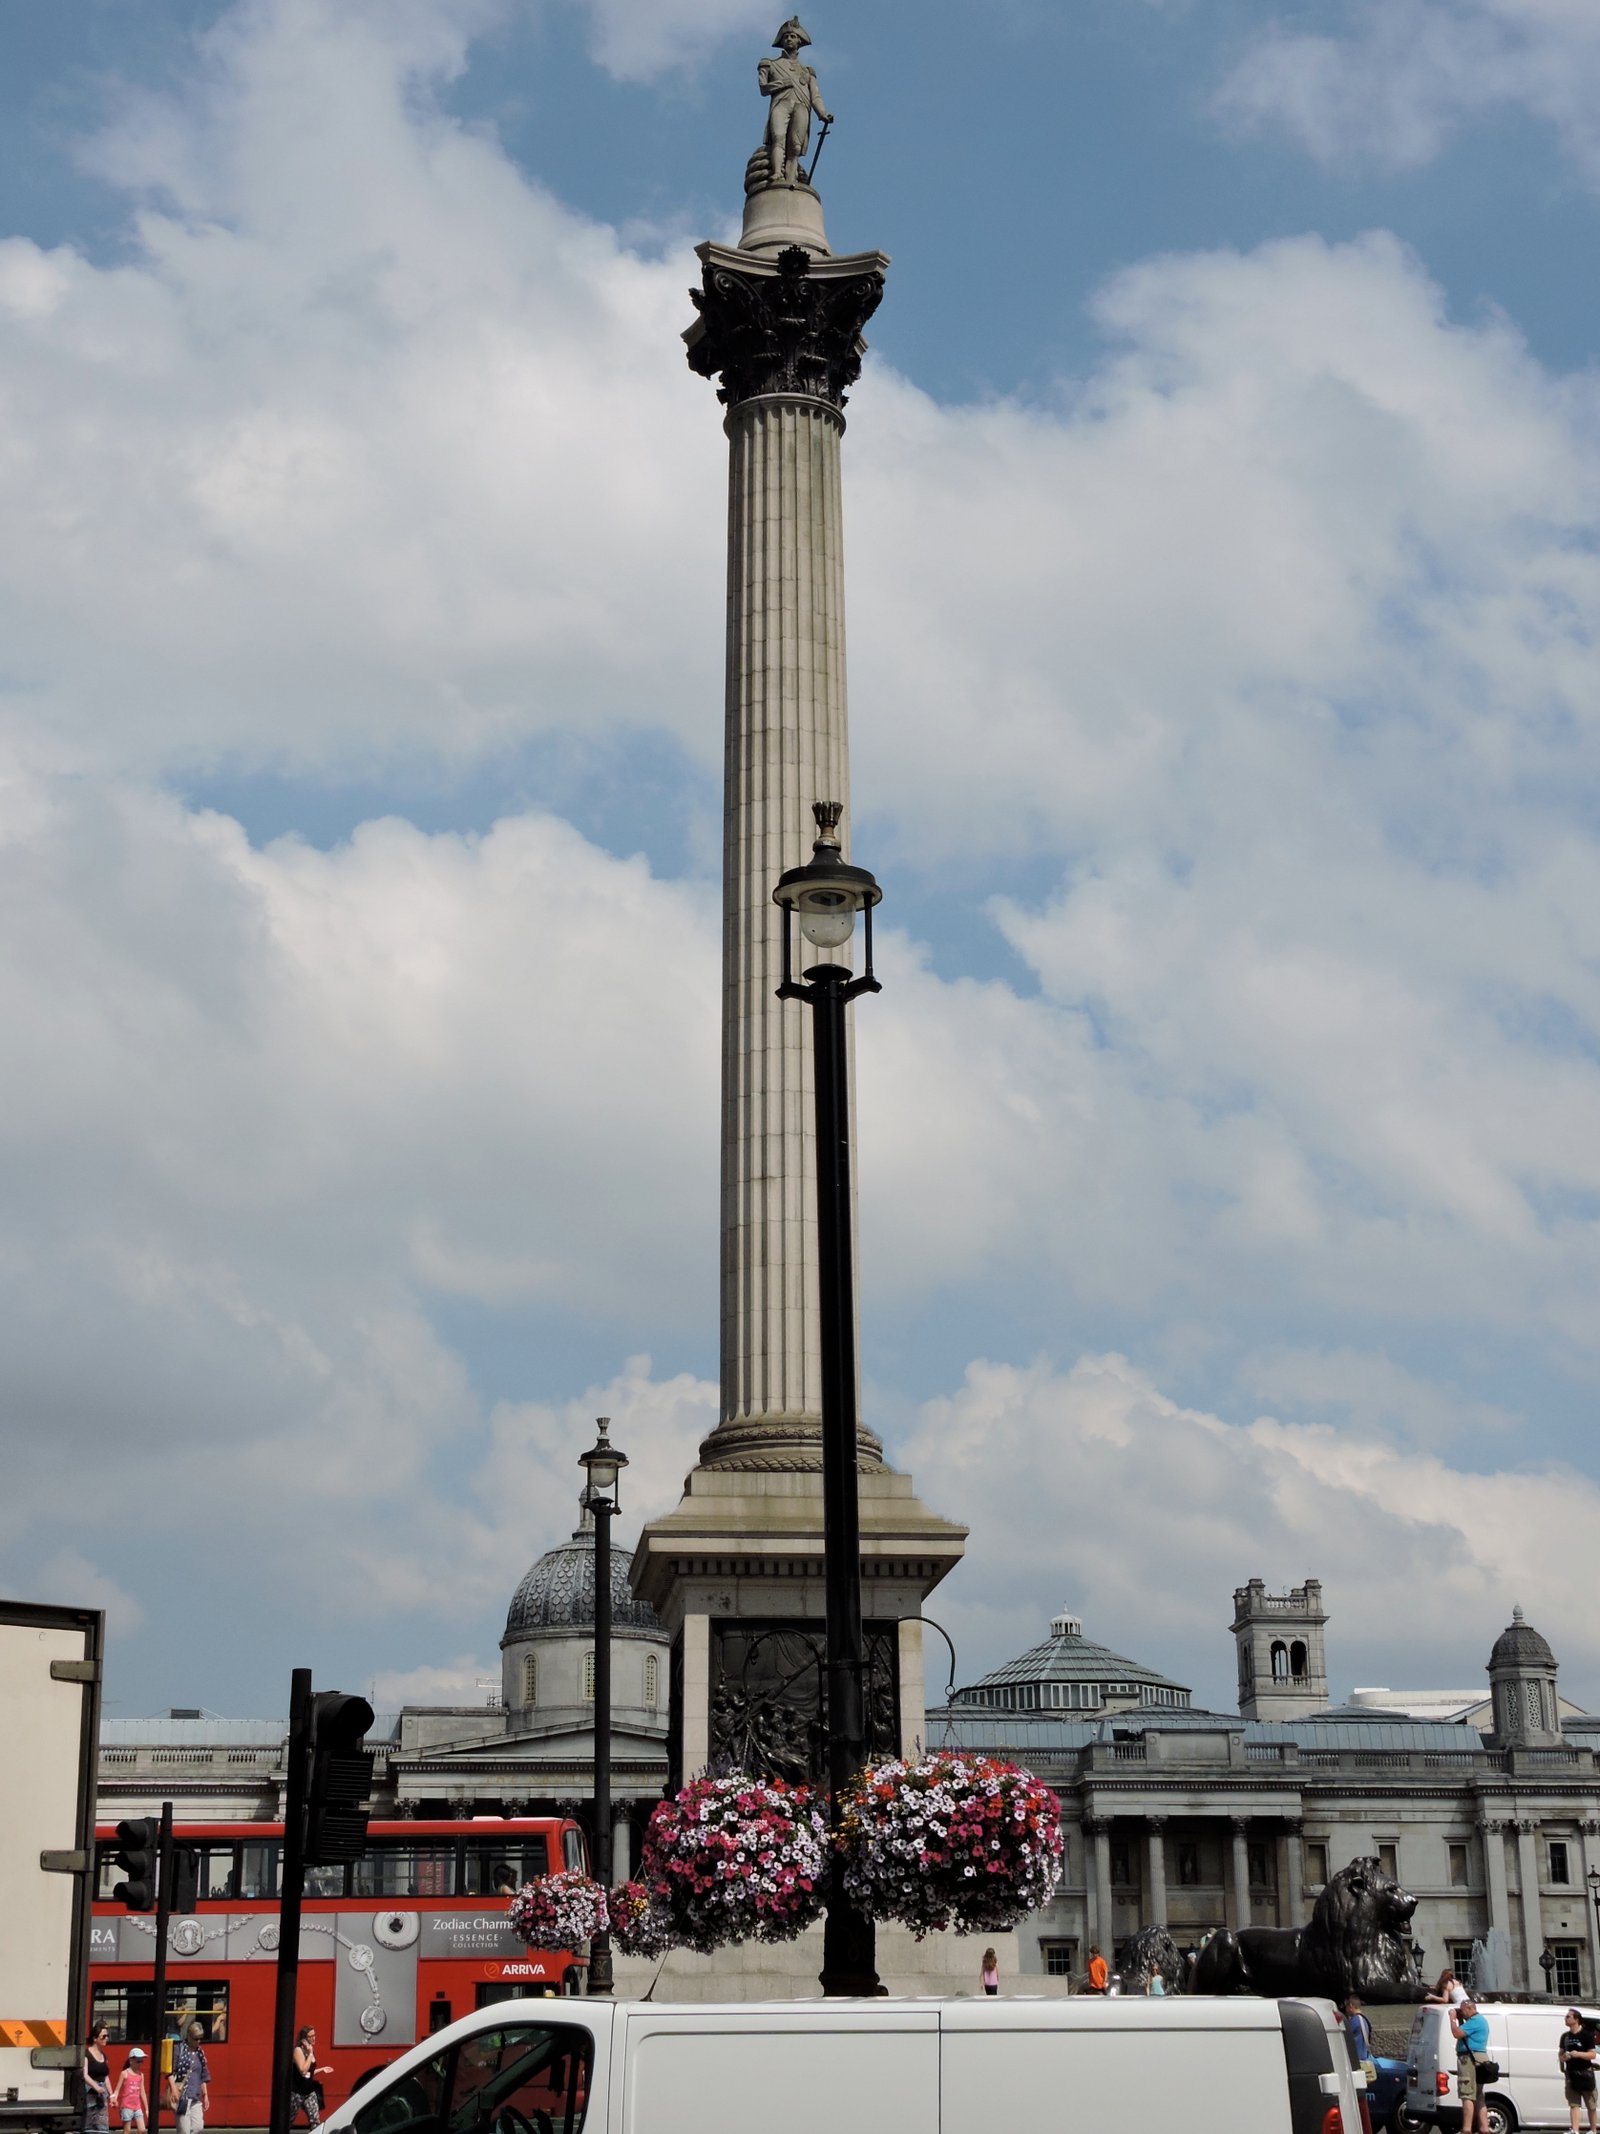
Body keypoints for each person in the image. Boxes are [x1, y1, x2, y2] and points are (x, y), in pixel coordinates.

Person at [757, 18, 831, 187]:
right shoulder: (771, 65)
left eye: (792, 36)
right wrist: (783, 83)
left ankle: (791, 181)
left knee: (795, 148)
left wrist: (822, 114)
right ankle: (776, 174)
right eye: (786, 37)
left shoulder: (807, 71)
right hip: (781, 104)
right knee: (778, 138)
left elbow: (815, 96)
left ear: (799, 41)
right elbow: (763, 89)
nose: (789, 39)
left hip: (801, 106)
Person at [1451, 1996, 1492, 2134]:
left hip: (1470, 2059)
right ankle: (1484, 2128)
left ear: (1470, 2008)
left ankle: (1466, 2129)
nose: (1462, 2014)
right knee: (1479, 2095)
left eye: (1463, 2011)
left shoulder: (1475, 2021)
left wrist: (1453, 2019)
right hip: (1479, 2058)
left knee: (1467, 2094)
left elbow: (1457, 2033)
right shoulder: (1480, 2021)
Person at [1560, 2009, 1598, 2134]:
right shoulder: (1565, 2037)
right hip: (1571, 2074)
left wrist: (1578, 2054)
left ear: (1576, 2019)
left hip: (1585, 2073)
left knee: (1591, 2105)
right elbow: (1560, 2055)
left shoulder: (1586, 2035)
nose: (1565, 2018)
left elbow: (1592, 2055)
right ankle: (1575, 2130)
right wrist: (1564, 2057)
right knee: (1574, 2104)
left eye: (1568, 2016)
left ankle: (1593, 2130)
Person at [168, 2023, 210, 2134]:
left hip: (195, 2096)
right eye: (196, 2039)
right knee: (184, 2131)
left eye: (201, 2038)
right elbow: (170, 2072)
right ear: (189, 2036)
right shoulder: (179, 2050)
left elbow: (202, 2075)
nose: (199, 2042)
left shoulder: (200, 2053)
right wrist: (173, 2090)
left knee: (198, 2127)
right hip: (182, 2097)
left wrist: (205, 2095)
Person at [289, 2027, 332, 2130]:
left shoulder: (310, 2050)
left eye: (314, 2035)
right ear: (304, 2039)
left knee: (315, 2120)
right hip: (297, 2093)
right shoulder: (298, 2050)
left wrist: (322, 2069)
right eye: (311, 2036)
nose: (314, 2038)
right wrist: (310, 2054)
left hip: (309, 2092)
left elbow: (309, 2072)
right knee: (289, 2119)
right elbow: (303, 2070)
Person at [84, 2024, 112, 2134]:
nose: (106, 2039)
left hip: (102, 2096)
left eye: (107, 2036)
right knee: (90, 2127)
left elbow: (105, 2076)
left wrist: (112, 2094)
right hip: (90, 2093)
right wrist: (96, 2087)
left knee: (102, 2128)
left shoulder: (104, 2056)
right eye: (103, 2036)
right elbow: (84, 2075)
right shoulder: (87, 2054)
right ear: (95, 2038)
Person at [114, 2050, 148, 2133]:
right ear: (131, 2061)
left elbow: (142, 2092)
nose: (140, 2064)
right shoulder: (124, 2073)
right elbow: (117, 2089)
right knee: (127, 2130)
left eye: (141, 2061)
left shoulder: (141, 2075)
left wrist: (146, 2108)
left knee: (142, 2129)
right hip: (126, 2106)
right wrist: (114, 2098)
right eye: (138, 2061)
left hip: (137, 2106)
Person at [1345, 1997, 1377, 2080]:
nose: (1346, 2010)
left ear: (1351, 2006)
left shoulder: (1355, 2020)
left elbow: (1345, 2037)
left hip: (1356, 2061)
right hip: (1363, 2059)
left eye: (1347, 2007)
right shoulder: (1364, 2020)